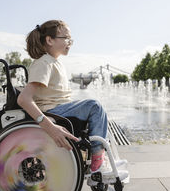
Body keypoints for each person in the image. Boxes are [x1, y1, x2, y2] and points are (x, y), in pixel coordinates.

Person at [17, 20, 108, 172]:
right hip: (53, 111)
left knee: (100, 115)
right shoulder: (44, 63)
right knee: (94, 106)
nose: (70, 42)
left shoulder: (54, 62)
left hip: (60, 109)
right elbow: (24, 99)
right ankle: (97, 159)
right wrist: (48, 126)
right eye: (66, 38)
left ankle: (96, 154)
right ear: (49, 40)